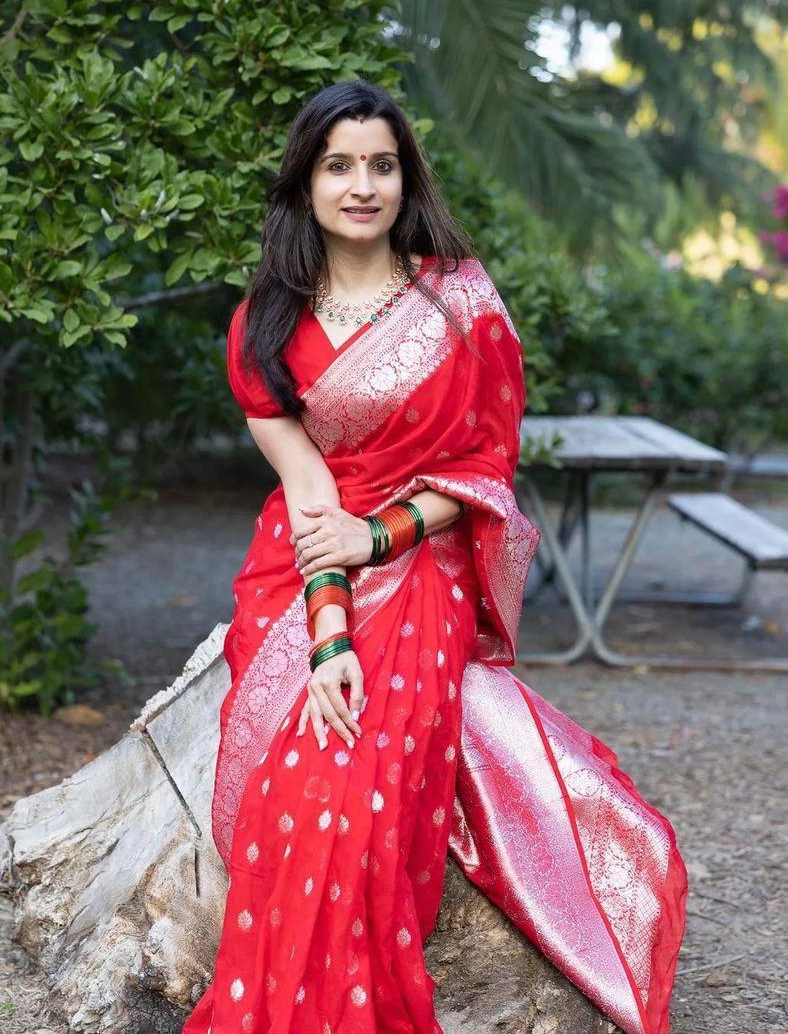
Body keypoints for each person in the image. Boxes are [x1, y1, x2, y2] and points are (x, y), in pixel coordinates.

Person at [182, 78, 687, 1034]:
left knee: (356, 806)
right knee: (300, 786)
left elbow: (485, 468)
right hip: (304, 564)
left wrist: (383, 537)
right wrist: (330, 634)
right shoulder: (266, 325)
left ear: (406, 180)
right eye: (340, 166)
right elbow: (306, 488)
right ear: (305, 184)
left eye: (381, 164)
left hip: (425, 560)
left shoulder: (459, 304)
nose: (362, 184)